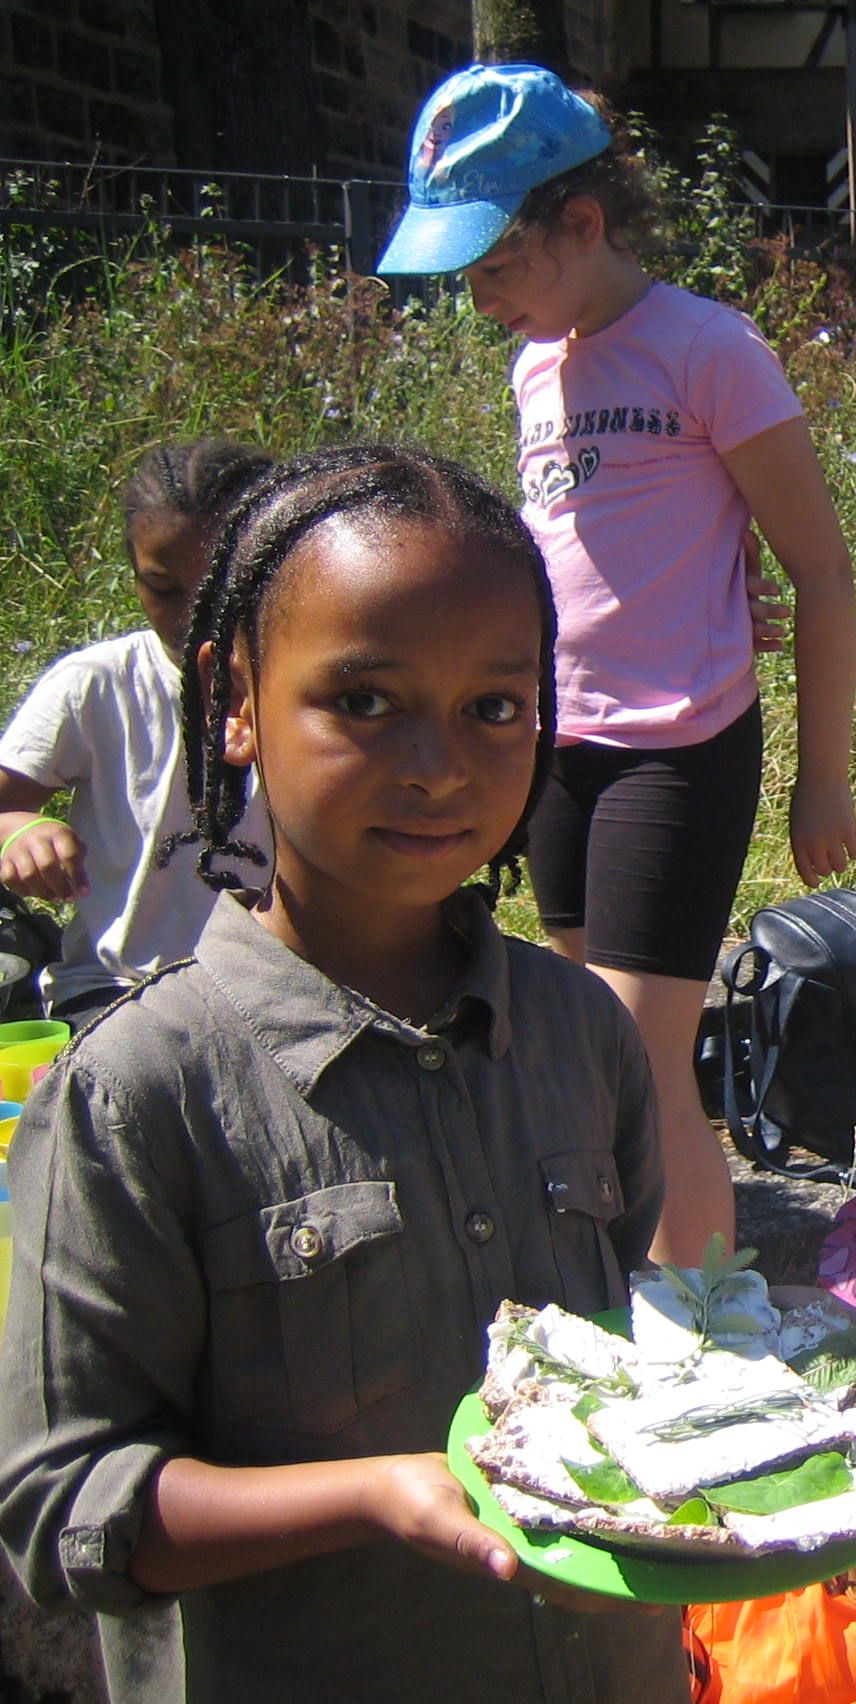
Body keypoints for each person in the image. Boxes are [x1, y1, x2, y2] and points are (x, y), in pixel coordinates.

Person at [0, 445, 682, 1703]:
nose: (438, 765)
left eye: (495, 707)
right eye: (364, 701)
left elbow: (629, 1338)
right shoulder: (135, 1096)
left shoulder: (582, 1033)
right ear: (238, 701)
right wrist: (374, 1497)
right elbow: (64, 1506)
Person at [375, 63, 856, 1262]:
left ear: (581, 224)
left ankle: (701, 1331)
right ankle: (629, 1306)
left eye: (495, 266)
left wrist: (825, 775)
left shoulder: (707, 347)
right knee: (583, 1045)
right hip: (557, 744)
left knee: (646, 1062)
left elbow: (823, 571)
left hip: (679, 744)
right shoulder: (534, 365)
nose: (480, 298)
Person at [0, 439, 275, 1024]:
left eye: (223, 586)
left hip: (277, 988)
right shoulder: (97, 685)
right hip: (118, 993)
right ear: (133, 573)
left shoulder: (312, 694)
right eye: (162, 588)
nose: (192, 616)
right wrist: (19, 832)